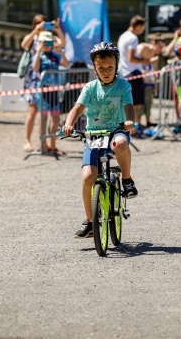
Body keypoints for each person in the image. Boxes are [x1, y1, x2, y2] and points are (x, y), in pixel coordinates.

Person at [62, 42, 138, 239]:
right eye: (101, 68)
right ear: (95, 68)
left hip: (116, 130)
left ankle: (127, 180)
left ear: (116, 67)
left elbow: (129, 106)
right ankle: (89, 220)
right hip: (94, 134)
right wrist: (69, 124)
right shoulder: (90, 88)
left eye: (110, 68)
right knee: (88, 177)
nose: (106, 72)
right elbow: (77, 108)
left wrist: (130, 121)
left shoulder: (123, 86)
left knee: (120, 144)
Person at [20, 14, 65, 152]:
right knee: (33, 110)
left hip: (46, 78)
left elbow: (62, 44)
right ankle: (27, 140)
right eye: (39, 23)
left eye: (44, 22)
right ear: (34, 24)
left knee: (44, 112)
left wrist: (57, 29)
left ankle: (47, 144)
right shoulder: (34, 37)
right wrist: (36, 31)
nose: (42, 25)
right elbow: (23, 45)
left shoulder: (49, 38)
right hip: (34, 77)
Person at [117, 15, 159, 129]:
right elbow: (131, 58)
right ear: (138, 26)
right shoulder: (133, 38)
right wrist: (148, 61)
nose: (143, 30)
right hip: (133, 73)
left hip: (125, 73)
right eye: (142, 27)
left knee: (130, 104)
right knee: (135, 105)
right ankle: (132, 130)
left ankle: (131, 129)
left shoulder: (122, 36)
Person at [33, 31, 69, 155]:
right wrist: (38, 50)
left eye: (48, 42)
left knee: (55, 118)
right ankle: (43, 145)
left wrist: (60, 50)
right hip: (43, 90)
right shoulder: (39, 55)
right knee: (43, 118)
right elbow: (35, 67)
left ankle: (53, 146)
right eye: (44, 42)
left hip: (54, 90)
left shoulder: (55, 55)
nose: (47, 44)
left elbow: (66, 64)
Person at [135, 33, 166, 128]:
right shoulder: (143, 47)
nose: (160, 49)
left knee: (148, 102)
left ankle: (147, 121)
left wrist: (153, 74)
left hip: (148, 81)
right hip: (139, 79)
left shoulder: (153, 53)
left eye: (162, 47)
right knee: (140, 103)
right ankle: (138, 123)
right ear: (153, 43)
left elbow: (149, 66)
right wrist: (145, 68)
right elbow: (136, 62)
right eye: (159, 46)